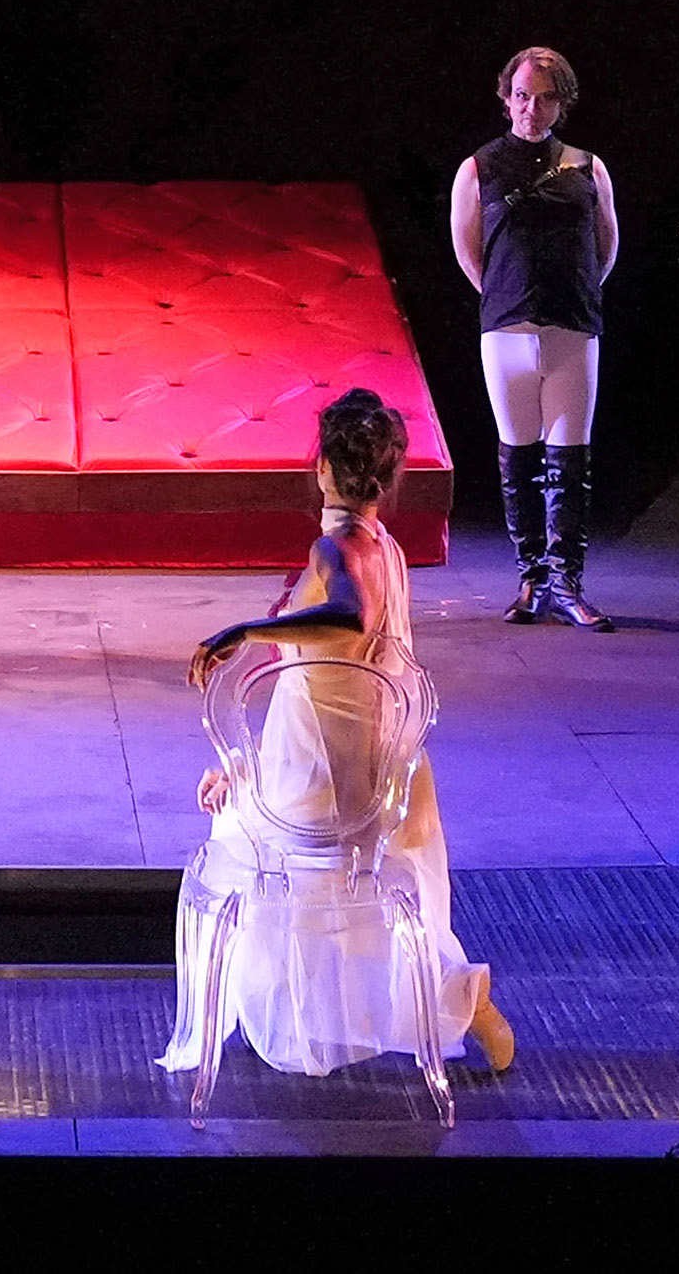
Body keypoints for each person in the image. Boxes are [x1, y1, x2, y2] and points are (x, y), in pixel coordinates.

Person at [164, 388, 519, 1083]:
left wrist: (247, 630)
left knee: (234, 843)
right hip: (369, 781)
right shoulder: (382, 545)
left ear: (324, 465)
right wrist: (243, 773)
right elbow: (324, 697)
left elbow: (347, 622)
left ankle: (450, 995)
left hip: (331, 798)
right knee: (246, 818)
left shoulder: (339, 547)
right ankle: (446, 995)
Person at [447, 46, 619, 630]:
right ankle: (532, 578)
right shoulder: (480, 168)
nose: (531, 107)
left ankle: (567, 580)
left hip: (573, 326)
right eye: (522, 95)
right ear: (506, 98)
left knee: (570, 458)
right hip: (507, 328)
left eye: (545, 96)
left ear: (561, 102)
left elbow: (606, 243)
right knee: (517, 454)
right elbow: (467, 249)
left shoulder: (587, 167)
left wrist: (576, 291)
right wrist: (504, 295)